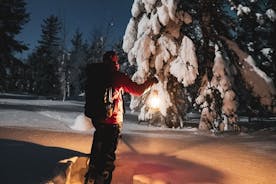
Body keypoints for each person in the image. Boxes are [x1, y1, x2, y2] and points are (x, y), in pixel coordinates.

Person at [84, 51, 158, 184]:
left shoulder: (96, 75)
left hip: (98, 119)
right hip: (112, 121)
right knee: (107, 155)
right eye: (117, 61)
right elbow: (138, 90)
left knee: (98, 149)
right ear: (114, 62)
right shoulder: (117, 76)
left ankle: (91, 175)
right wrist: (151, 82)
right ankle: (102, 179)